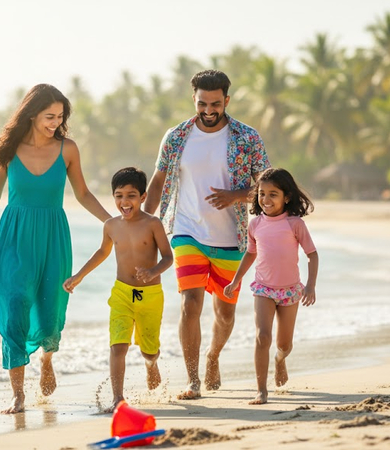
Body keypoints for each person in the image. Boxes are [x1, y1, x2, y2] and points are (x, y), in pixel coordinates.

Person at [0, 84, 110, 414]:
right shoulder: (8, 149)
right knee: (14, 307)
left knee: (50, 312)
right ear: (32, 113)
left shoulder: (68, 150)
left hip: (53, 236)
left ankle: (47, 358)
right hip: (14, 238)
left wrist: (112, 223)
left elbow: (82, 194)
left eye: (60, 117)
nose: (55, 122)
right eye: (49, 116)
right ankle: (18, 395)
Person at [144, 70, 271, 400]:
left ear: (227, 100)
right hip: (186, 231)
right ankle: (193, 379)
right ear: (194, 100)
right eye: (203, 103)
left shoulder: (247, 137)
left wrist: (236, 196)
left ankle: (213, 356)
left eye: (216, 103)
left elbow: (268, 186)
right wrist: (144, 222)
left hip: (232, 237)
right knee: (190, 304)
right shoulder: (176, 136)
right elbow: (158, 182)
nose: (209, 110)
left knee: (225, 315)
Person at [63, 167, 173, 413]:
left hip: (150, 296)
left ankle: (151, 364)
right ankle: (118, 398)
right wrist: (79, 275)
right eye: (119, 195)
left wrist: (153, 271)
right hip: (122, 293)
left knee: (149, 349)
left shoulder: (153, 224)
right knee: (118, 345)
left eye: (131, 195)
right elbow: (102, 252)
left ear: (143, 197)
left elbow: (168, 257)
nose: (125, 201)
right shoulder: (111, 225)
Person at [223, 168, 319, 405]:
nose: (266, 200)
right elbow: (250, 253)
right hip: (263, 288)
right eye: (262, 194)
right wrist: (236, 280)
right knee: (261, 337)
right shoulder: (255, 224)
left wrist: (310, 286)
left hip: (290, 291)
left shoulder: (295, 224)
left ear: (286, 197)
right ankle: (261, 390)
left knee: (284, 344)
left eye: (273, 194)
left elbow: (312, 255)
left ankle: (280, 359)